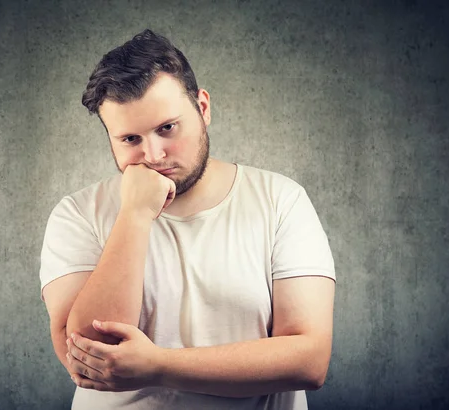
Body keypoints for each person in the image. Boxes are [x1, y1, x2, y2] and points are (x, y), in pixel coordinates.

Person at [39, 28, 336, 410]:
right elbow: (87, 359)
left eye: (167, 128)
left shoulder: (281, 200)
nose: (154, 154)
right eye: (130, 139)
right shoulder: (77, 214)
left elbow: (309, 361)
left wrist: (158, 366)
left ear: (203, 108)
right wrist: (135, 214)